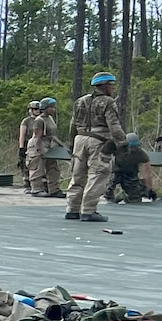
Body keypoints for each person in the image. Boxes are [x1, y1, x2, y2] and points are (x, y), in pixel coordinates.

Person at [66, 73, 122, 222]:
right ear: (104, 85)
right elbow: (114, 126)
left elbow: (73, 124)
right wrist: (122, 143)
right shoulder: (108, 102)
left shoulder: (80, 101)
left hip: (79, 139)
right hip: (98, 141)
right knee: (97, 175)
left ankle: (72, 209)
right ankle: (88, 211)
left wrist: (72, 143)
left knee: (77, 175)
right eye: (111, 84)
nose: (113, 87)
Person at [20, 99, 58, 197]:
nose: (53, 109)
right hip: (39, 144)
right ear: (45, 108)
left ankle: (53, 189)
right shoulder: (39, 120)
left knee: (53, 168)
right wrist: (38, 149)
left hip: (49, 144)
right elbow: (37, 136)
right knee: (37, 167)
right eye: (51, 107)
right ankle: (36, 189)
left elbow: (53, 135)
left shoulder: (50, 119)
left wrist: (60, 145)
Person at [110, 134, 157, 204]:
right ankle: (108, 197)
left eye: (135, 146)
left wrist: (149, 189)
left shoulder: (141, 154)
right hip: (116, 172)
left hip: (130, 175)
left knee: (135, 198)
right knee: (108, 184)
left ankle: (123, 195)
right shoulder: (118, 149)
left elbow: (147, 173)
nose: (133, 149)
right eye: (131, 146)